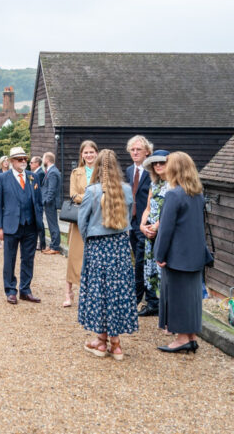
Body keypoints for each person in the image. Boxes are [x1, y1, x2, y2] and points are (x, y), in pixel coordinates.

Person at [77, 148, 137, 360]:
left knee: (99, 292)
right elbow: (129, 217)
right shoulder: (127, 190)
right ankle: (116, 344)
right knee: (117, 292)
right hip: (120, 247)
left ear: (98, 167)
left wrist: (91, 241)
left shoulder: (92, 191)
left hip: (98, 246)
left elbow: (82, 223)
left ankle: (101, 342)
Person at [153, 151, 213, 353]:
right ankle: (191, 336)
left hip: (177, 256)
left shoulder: (174, 194)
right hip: (195, 255)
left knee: (178, 297)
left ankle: (180, 339)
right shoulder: (197, 194)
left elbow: (166, 229)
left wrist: (159, 255)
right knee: (192, 298)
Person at [0, 147, 43, 305]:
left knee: (28, 259)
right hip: (11, 225)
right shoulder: (3, 178)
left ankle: (25, 290)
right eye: (19, 159)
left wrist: (38, 220)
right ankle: (10, 290)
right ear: (12, 161)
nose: (23, 162)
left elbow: (38, 201)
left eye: (25, 159)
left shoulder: (33, 177)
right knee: (10, 259)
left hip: (30, 225)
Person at [138, 149, 171, 319]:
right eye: (155, 163)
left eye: (161, 162)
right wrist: (143, 225)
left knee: (161, 268)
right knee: (149, 267)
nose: (158, 166)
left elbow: (169, 212)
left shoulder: (173, 185)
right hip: (150, 229)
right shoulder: (154, 184)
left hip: (163, 231)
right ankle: (152, 303)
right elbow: (149, 208)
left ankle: (166, 307)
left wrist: (156, 227)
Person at [66, 140, 97, 307]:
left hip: (97, 218)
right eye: (86, 152)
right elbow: (73, 194)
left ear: (97, 153)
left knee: (93, 255)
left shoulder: (102, 172)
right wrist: (90, 198)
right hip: (80, 217)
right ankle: (68, 290)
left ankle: (90, 291)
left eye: (91, 152)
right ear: (81, 155)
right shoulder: (76, 172)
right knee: (74, 253)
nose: (89, 155)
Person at [125, 135, 155, 313]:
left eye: (138, 150)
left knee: (142, 261)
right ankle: (141, 297)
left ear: (147, 152)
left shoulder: (152, 172)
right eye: (133, 150)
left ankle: (138, 299)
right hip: (133, 222)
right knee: (136, 258)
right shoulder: (129, 171)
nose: (135, 153)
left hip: (147, 224)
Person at [40, 152, 63, 256]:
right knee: (51, 224)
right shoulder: (51, 171)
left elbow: (52, 190)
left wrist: (46, 201)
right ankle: (53, 245)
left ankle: (55, 247)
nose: (42, 161)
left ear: (47, 160)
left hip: (51, 203)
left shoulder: (53, 172)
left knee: (53, 225)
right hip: (50, 202)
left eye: (43, 159)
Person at [30, 156, 46, 250]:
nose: (30, 164)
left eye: (31, 163)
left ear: (37, 163)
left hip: (37, 201)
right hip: (34, 201)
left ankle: (42, 243)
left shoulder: (39, 174)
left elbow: (34, 187)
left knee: (39, 222)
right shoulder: (35, 173)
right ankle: (37, 242)